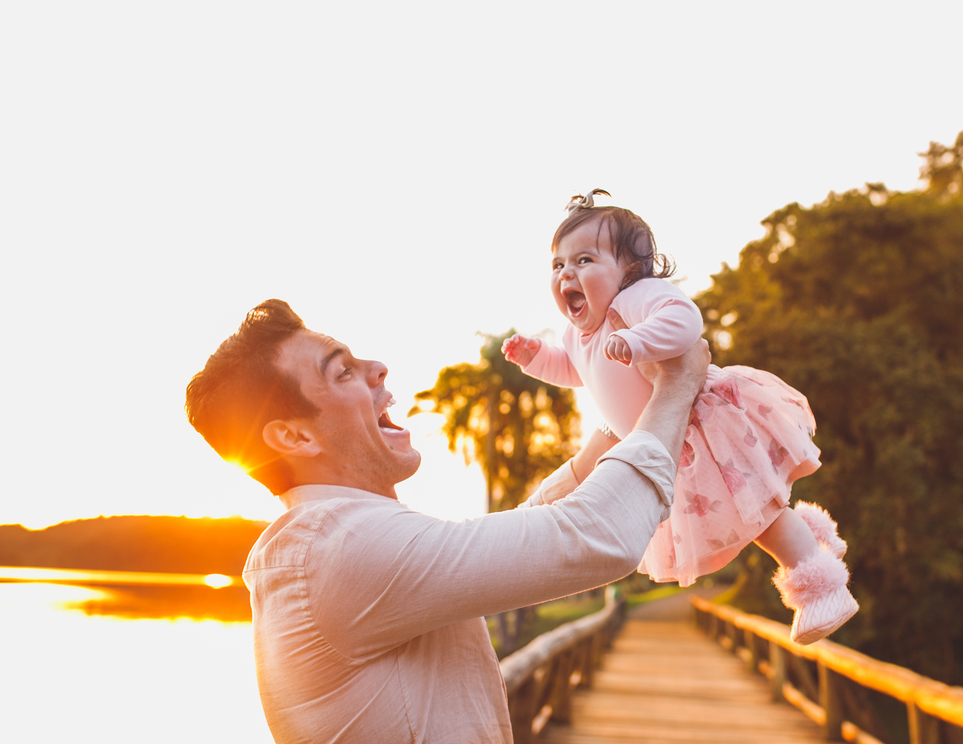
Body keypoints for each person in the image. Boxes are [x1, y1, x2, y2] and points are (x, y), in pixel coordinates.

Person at [184, 298, 709, 744]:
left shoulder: (338, 539)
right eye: (342, 371)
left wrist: (612, 430)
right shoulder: (333, 548)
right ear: (295, 437)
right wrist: (675, 387)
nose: (377, 368)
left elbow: (511, 544)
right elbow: (595, 536)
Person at [503, 189, 858, 645]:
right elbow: (575, 371)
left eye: (584, 260)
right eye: (558, 264)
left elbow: (685, 319)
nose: (566, 273)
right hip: (671, 445)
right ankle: (817, 542)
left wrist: (639, 341)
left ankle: (825, 590)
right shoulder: (576, 336)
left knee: (760, 515)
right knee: (748, 517)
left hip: (703, 426)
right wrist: (535, 358)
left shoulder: (632, 301)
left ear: (630, 271)